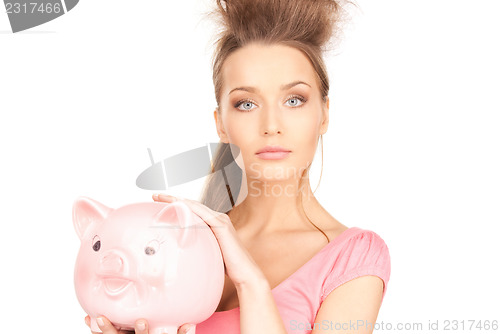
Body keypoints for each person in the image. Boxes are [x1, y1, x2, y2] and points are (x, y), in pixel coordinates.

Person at [85, 0, 391, 333]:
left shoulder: (352, 258)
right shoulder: (179, 242)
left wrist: (250, 283)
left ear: (324, 114)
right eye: (246, 103)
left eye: (294, 100)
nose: (271, 125)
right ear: (221, 123)